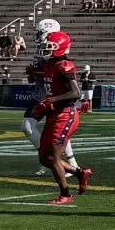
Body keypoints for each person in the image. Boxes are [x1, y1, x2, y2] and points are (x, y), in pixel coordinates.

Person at [29, 29, 92, 205]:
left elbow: (75, 93)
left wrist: (51, 100)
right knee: (44, 158)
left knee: (54, 158)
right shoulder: (52, 65)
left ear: (61, 48)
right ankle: (80, 173)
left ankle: (66, 194)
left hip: (65, 114)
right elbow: (50, 76)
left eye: (50, 47)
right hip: (54, 114)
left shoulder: (65, 65)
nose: (46, 50)